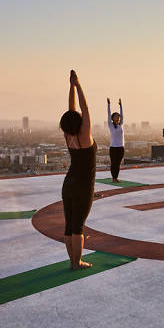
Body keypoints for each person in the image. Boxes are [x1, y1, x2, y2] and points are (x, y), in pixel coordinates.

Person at [60, 70, 96, 270]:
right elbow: (85, 107)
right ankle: (77, 262)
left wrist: (71, 86)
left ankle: (72, 260)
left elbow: (73, 110)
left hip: (69, 184)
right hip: (83, 186)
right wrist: (78, 85)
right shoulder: (85, 136)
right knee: (78, 227)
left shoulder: (69, 136)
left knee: (69, 224)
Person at [107, 97, 124, 183]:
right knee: (113, 163)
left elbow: (122, 114)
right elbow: (108, 113)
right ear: (113, 118)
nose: (118, 117)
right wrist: (109, 104)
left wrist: (121, 105)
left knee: (118, 163)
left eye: (118, 116)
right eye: (116, 116)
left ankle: (116, 178)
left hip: (121, 147)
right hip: (113, 147)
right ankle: (114, 178)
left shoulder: (121, 125)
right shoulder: (110, 125)